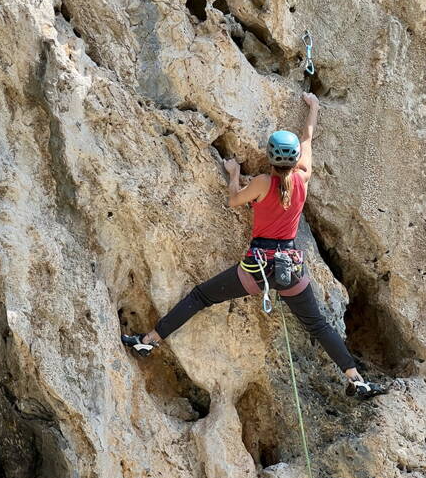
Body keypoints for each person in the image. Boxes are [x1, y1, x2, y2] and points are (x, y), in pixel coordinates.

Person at [122, 93, 386, 399]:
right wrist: (313, 107)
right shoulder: (303, 177)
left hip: (257, 269)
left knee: (201, 296)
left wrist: (234, 174)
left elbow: (234, 200)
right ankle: (357, 379)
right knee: (318, 325)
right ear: (294, 158)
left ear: (270, 157)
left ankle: (148, 340)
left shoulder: (262, 182)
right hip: (291, 270)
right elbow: (308, 137)